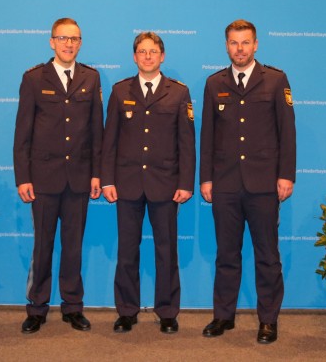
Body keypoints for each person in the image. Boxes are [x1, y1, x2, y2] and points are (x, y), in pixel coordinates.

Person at [199, 19, 296, 345]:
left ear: (256, 45)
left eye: (245, 42)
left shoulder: (275, 80)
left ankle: (268, 319)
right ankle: (223, 316)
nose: (239, 49)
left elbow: (287, 132)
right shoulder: (214, 83)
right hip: (225, 184)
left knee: (267, 255)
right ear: (226, 46)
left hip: (264, 184)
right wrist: (206, 178)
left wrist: (285, 174)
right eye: (234, 43)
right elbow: (208, 135)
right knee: (226, 254)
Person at [101, 32, 195, 335]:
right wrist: (107, 180)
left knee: (166, 251)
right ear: (134, 57)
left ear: (162, 56)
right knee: (127, 251)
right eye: (142, 51)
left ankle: (167, 311)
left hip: (165, 184)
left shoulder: (178, 93)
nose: (148, 56)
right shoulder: (120, 91)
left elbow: (187, 143)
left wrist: (186, 183)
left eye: (153, 51)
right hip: (127, 183)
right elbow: (109, 141)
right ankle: (126, 311)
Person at [13, 17, 103, 334]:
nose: (69, 44)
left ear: (80, 43)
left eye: (74, 39)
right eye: (63, 38)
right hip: (43, 179)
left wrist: (96, 174)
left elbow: (97, 131)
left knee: (73, 247)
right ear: (52, 42)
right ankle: (37, 308)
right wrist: (23, 177)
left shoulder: (91, 78)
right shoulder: (34, 78)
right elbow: (22, 133)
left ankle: (73, 306)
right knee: (43, 246)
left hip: (79, 178)